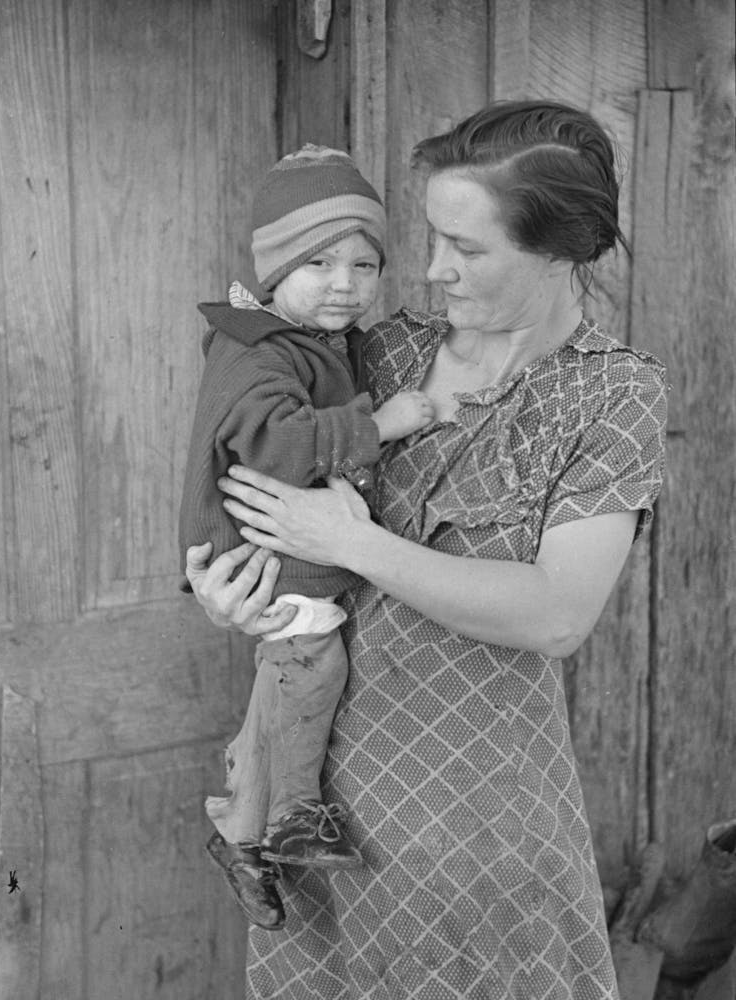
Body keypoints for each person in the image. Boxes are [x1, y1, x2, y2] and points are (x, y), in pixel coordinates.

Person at [186, 101, 668, 1000]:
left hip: (478, 828)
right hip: (316, 815)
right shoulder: (376, 352)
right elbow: (255, 483)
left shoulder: (609, 397)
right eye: (432, 238)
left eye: (469, 248)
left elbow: (557, 613)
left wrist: (353, 542)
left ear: (559, 248)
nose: (435, 268)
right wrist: (229, 586)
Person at [179, 144, 435, 933]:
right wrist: (381, 423)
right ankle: (296, 810)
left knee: (280, 674)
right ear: (273, 271)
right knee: (313, 661)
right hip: (264, 553)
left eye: (365, 265)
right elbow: (281, 446)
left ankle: (241, 827)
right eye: (319, 261)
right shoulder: (260, 351)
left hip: (278, 547)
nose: (345, 283)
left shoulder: (297, 338)